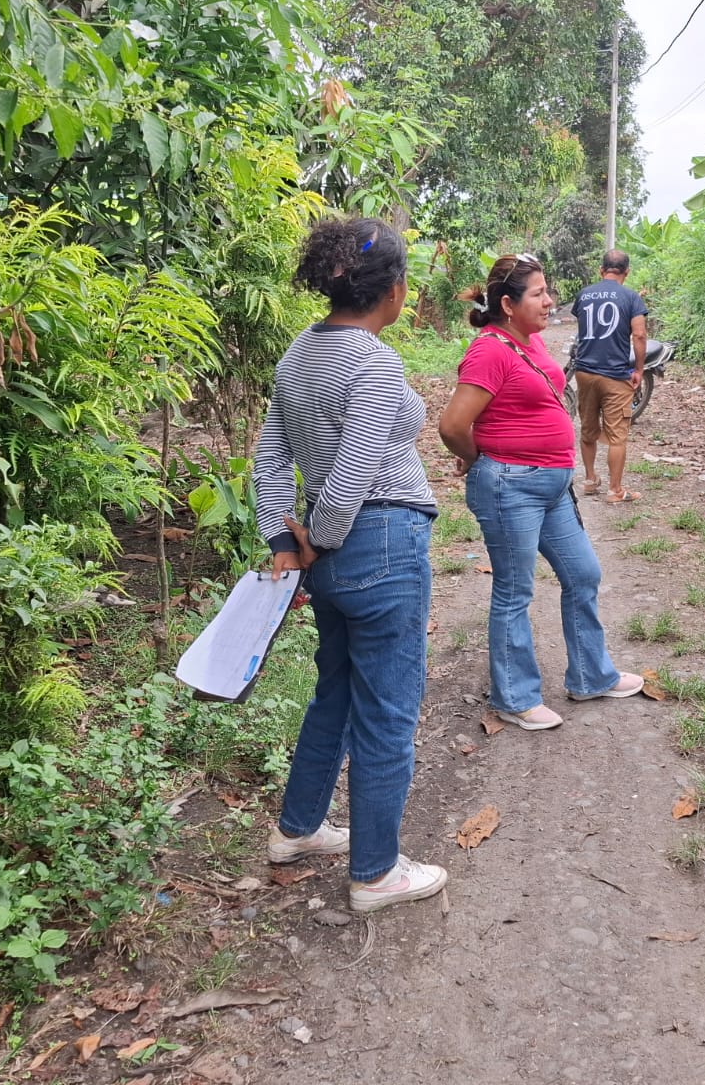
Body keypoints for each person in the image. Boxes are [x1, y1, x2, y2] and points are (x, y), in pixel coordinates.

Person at [253, 216, 448, 912]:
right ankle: (375, 873)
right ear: (393, 289)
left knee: (335, 694)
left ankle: (298, 829)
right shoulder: (374, 363)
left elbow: (270, 461)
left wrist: (286, 544)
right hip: (380, 544)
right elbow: (354, 476)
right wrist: (320, 540)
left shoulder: (298, 355)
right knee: (388, 712)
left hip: (330, 558)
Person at [437, 252, 645, 731]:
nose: (550, 301)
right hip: (512, 486)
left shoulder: (527, 342)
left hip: (551, 486)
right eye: (538, 294)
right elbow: (452, 425)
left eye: (547, 291)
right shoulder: (489, 351)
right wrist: (478, 457)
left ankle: (591, 676)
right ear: (508, 305)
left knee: (584, 574)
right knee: (515, 590)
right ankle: (514, 697)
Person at [570, 249, 648, 504]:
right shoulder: (631, 297)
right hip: (615, 375)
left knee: (588, 429)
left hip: (585, 373)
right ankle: (615, 490)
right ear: (627, 272)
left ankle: (590, 480)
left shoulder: (584, 295)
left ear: (601, 270)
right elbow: (639, 335)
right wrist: (639, 370)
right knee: (617, 436)